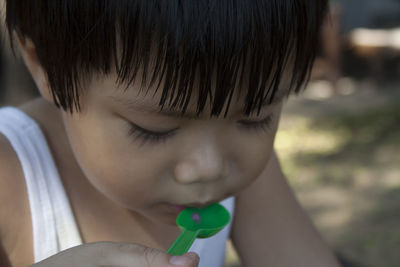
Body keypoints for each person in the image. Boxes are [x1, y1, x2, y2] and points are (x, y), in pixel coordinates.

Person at [0, 1, 341, 267]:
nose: (209, 166)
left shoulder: (245, 171)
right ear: (42, 66)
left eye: (255, 119)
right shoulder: (10, 178)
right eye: (154, 130)